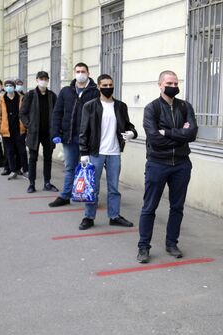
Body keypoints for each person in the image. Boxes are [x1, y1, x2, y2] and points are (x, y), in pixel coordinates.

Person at [136, 70, 198, 263]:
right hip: (157, 163)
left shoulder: (185, 107)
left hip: (181, 164)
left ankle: (172, 243)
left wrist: (168, 132)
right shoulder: (151, 109)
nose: (173, 86)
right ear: (160, 85)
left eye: (175, 82)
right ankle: (143, 247)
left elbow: (193, 134)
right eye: (169, 83)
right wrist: (180, 135)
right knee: (149, 207)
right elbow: (154, 139)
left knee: (177, 207)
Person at [78, 74, 137, 230]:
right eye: (104, 85)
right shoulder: (90, 106)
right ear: (98, 87)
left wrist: (132, 133)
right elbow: (83, 131)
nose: (107, 87)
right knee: (93, 187)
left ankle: (114, 216)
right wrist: (83, 153)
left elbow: (128, 125)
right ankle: (89, 217)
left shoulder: (120, 106)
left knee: (114, 187)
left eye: (110, 84)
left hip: (114, 152)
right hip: (95, 152)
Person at [49, 62, 99, 207]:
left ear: (88, 73)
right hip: (69, 137)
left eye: (83, 71)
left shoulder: (95, 92)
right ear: (74, 73)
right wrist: (55, 132)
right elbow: (57, 113)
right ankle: (65, 195)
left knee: (89, 169)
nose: (80, 74)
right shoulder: (66, 91)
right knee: (70, 167)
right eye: (78, 71)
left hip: (88, 139)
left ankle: (89, 196)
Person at [19, 71, 59, 193]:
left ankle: (47, 182)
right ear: (37, 80)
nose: (44, 81)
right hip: (34, 132)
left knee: (48, 158)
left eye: (46, 78)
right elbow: (22, 113)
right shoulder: (30, 95)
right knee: (33, 158)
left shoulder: (52, 95)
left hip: (48, 133)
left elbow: (57, 113)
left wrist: (57, 130)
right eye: (41, 78)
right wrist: (29, 125)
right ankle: (31, 184)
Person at [0, 79, 28, 180]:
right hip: (6, 130)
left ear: (14, 86)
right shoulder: (0, 99)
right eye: (7, 85)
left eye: (10, 85)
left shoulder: (21, 98)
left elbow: (26, 113)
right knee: (10, 151)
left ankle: (25, 170)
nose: (9, 87)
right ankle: (13, 171)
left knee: (22, 151)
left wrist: (28, 128)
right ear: (4, 87)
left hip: (19, 129)